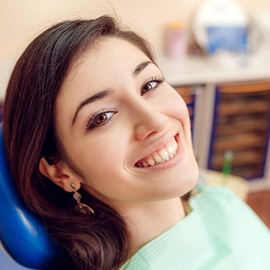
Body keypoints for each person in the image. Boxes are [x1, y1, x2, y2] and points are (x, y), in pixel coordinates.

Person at [2, 15, 270, 270]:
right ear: (61, 171)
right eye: (102, 117)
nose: (156, 121)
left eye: (150, 85)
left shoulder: (211, 198)